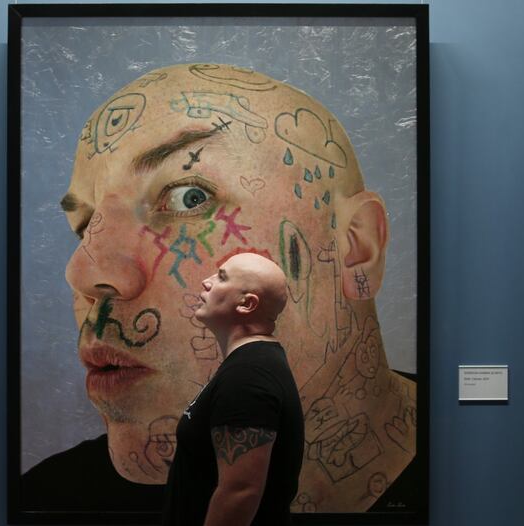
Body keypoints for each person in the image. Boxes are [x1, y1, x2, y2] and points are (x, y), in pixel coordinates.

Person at [22, 63, 417, 513]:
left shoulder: (485, 472)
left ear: (354, 248)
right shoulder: (55, 498)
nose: (82, 272)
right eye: (85, 224)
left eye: (189, 197)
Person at [162, 253, 303, 525]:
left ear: (247, 304)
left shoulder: (249, 376)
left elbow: (240, 492)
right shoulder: (251, 366)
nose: (206, 282)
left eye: (221, 277)